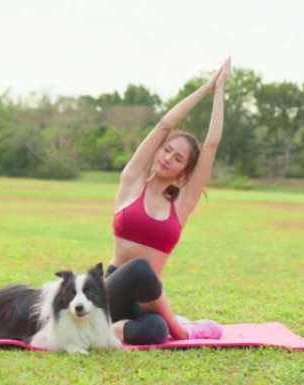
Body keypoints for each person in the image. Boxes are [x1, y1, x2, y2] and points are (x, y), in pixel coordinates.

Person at [106, 58, 231, 345]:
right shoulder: (132, 181)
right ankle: (183, 330)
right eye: (167, 150)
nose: (167, 158)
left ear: (185, 170)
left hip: (147, 301)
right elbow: (164, 125)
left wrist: (221, 92)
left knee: (154, 332)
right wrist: (205, 89)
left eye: (178, 159)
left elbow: (211, 144)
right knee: (139, 269)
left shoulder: (182, 204)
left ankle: (102, 330)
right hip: (112, 289)